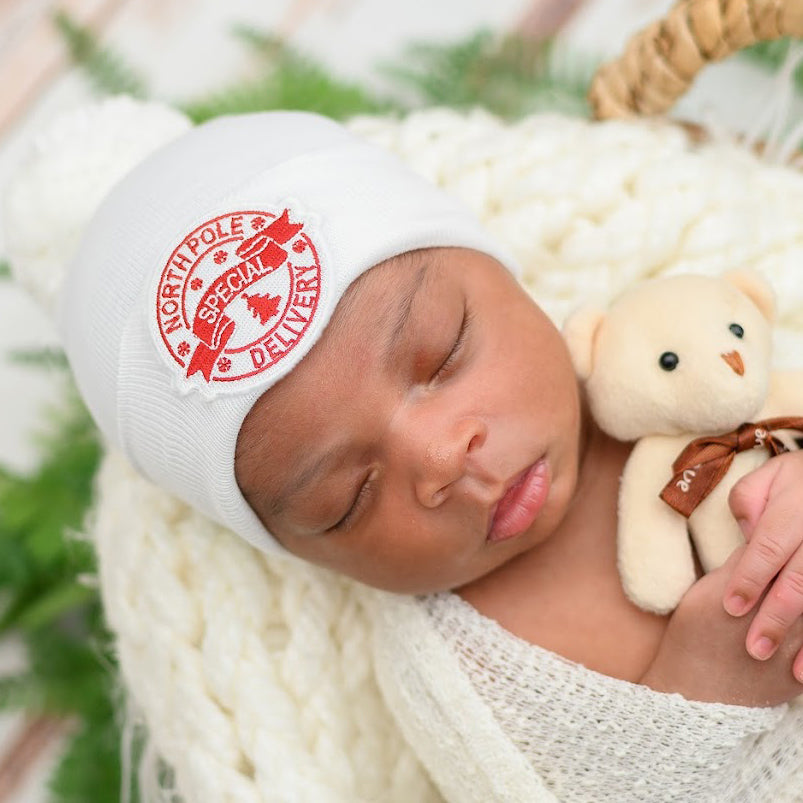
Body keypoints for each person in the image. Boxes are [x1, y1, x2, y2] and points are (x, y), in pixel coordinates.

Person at [8, 100, 803, 801]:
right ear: (303, 555)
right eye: (346, 497)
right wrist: (706, 697)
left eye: (442, 354)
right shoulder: (457, 680)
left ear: (506, 274)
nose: (442, 459)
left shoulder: (678, 345)